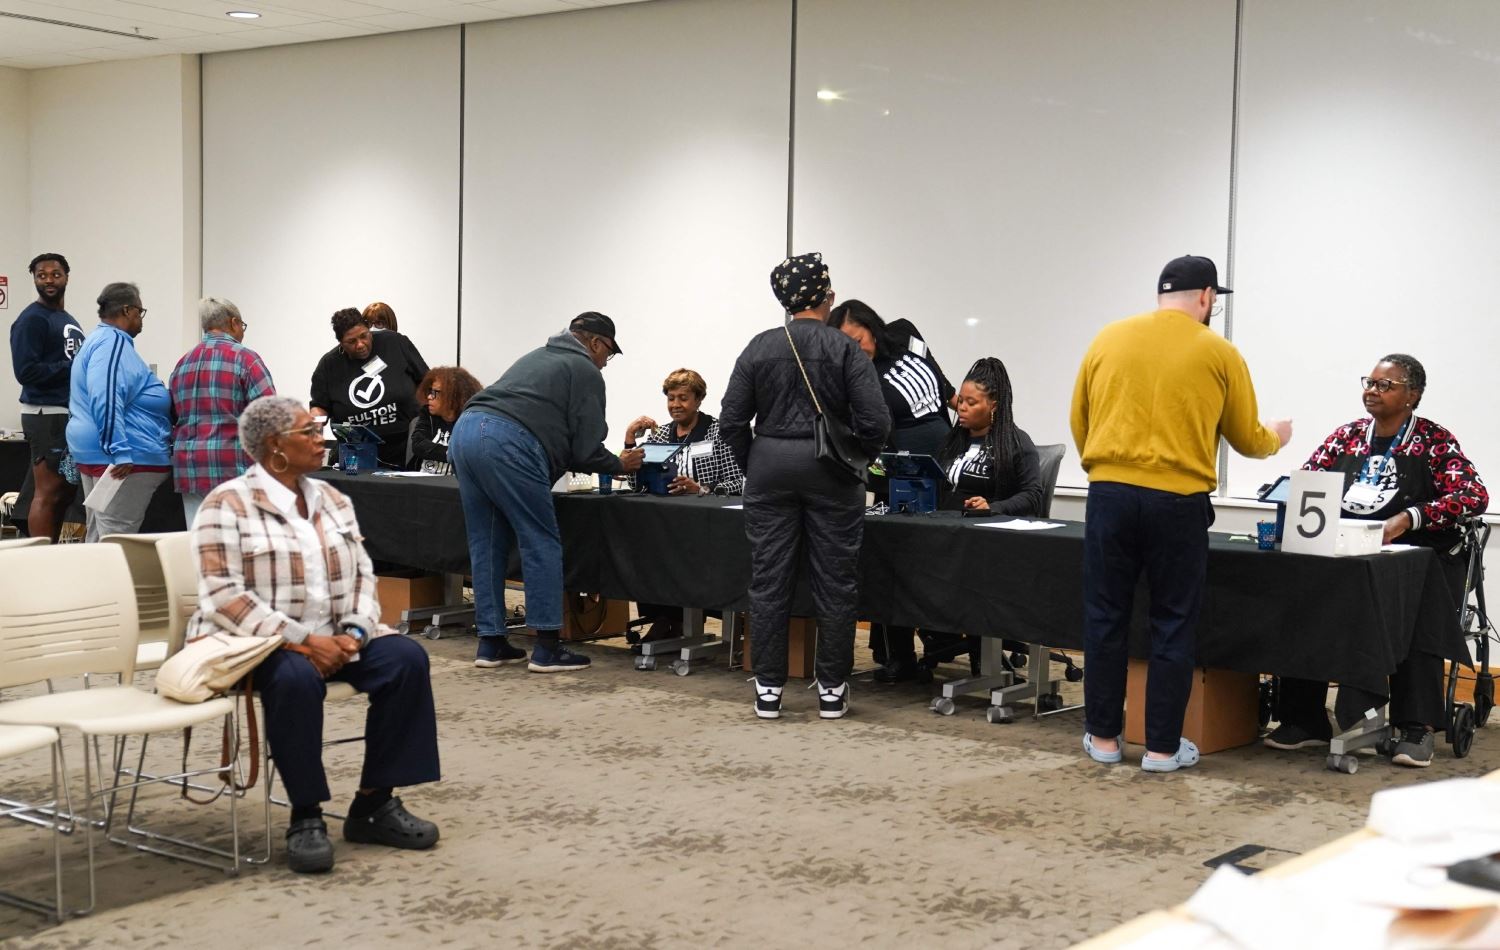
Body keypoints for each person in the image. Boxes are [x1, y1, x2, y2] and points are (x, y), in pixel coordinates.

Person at [187, 396, 441, 874]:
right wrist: (302, 640)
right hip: (257, 646)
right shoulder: (226, 505)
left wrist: (355, 634)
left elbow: (364, 577)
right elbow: (224, 597)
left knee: (406, 659)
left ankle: (373, 804)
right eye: (309, 431)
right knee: (295, 678)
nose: (322, 438)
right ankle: (306, 816)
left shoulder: (332, 499)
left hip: (335, 639)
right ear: (274, 446)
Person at [1070, 255, 1290, 772]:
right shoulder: (1219, 352)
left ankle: (1104, 739)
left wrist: (1107, 470)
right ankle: (1162, 749)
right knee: (1172, 621)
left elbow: (1080, 419)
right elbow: (1246, 437)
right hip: (1178, 502)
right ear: (1207, 297)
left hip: (1110, 495)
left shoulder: (1107, 339)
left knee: (1105, 616)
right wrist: (1276, 438)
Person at [1265, 354, 1488, 768]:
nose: (1372, 390)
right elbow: (1310, 480)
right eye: (1369, 382)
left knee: (1416, 613)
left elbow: (1473, 495)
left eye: (1385, 385)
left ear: (1412, 395)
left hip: (1420, 560)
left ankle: (1416, 727)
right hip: (1353, 554)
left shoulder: (1433, 441)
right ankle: (1304, 717)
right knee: (1308, 597)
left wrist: (1410, 517)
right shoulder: (1347, 437)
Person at [719, 252, 890, 720]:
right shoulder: (844, 348)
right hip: (831, 473)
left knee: (769, 578)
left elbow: (732, 421)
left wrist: (754, 464)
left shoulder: (758, 347)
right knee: (835, 580)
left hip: (769, 466)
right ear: (827, 297)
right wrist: (855, 459)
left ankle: (768, 690)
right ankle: (831, 690)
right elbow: (876, 422)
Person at [449, 312, 644, 673]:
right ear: (596, 343)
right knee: (540, 540)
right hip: (508, 441)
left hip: (465, 432)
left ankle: (491, 643)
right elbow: (585, 448)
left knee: (486, 543)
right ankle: (548, 648)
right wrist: (620, 463)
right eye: (609, 353)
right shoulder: (584, 369)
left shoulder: (536, 356)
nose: (606, 362)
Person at [827, 300, 957, 682]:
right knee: (895, 561)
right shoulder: (857, 377)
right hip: (900, 474)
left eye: (857, 340)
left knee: (946, 557)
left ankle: (943, 640)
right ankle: (899, 655)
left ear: (872, 326)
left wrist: (978, 419)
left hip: (946, 461)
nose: (855, 350)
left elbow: (944, 388)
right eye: (845, 346)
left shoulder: (904, 333)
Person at [621, 368, 747, 642]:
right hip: (664, 523)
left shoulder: (718, 433)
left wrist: (700, 488)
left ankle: (674, 621)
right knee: (645, 552)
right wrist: (630, 439)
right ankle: (665, 618)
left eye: (683, 398)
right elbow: (635, 484)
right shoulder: (659, 435)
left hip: (705, 526)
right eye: (671, 398)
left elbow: (739, 482)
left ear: (699, 400)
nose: (675, 404)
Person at [66, 282, 174, 543]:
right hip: (123, 458)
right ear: (127, 310)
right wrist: (120, 451)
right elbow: (105, 396)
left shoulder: (99, 340)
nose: (141, 319)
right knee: (116, 540)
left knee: (100, 535)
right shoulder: (112, 343)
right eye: (140, 312)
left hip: (104, 454)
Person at [168, 297, 276, 526]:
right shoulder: (246, 359)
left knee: (200, 539)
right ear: (234, 323)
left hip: (190, 468)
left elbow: (174, 414)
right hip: (233, 467)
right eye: (242, 326)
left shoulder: (183, 363)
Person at [9, 252, 84, 541]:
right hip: (45, 414)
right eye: (42, 275)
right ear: (34, 280)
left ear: (67, 277)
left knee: (64, 492)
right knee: (48, 492)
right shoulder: (32, 320)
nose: (49, 280)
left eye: (55, 274)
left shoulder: (66, 319)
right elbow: (26, 372)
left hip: (66, 414)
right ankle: (40, 556)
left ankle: (51, 553)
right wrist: (73, 366)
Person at [309, 308, 429, 469]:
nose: (360, 344)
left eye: (364, 336)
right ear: (341, 343)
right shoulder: (328, 365)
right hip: (356, 450)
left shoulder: (394, 343)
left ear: (368, 330)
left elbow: (427, 381)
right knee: (358, 483)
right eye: (351, 341)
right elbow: (319, 407)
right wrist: (314, 432)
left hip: (406, 444)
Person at [408, 366, 482, 474]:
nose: (429, 397)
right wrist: (452, 454)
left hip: (455, 481)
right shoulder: (427, 414)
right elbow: (418, 444)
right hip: (425, 479)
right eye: (430, 391)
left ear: (453, 396)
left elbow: (473, 454)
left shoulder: (471, 420)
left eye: (435, 392)